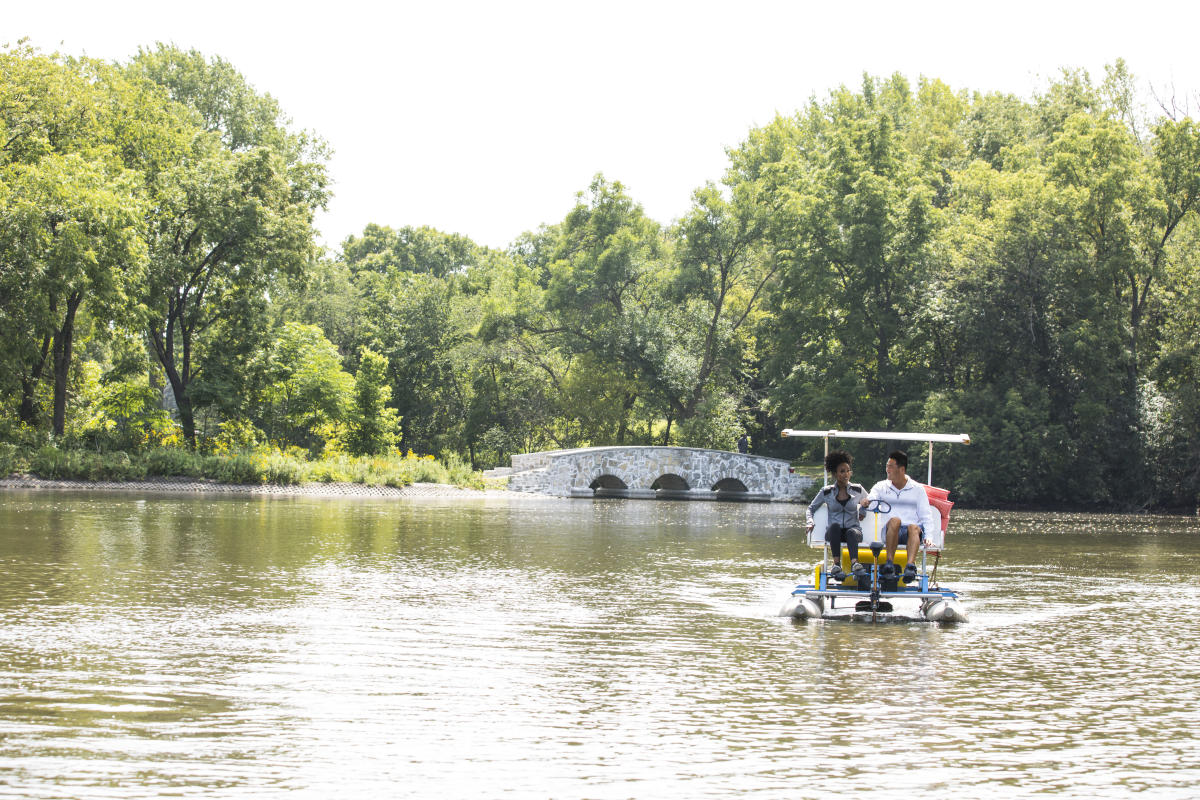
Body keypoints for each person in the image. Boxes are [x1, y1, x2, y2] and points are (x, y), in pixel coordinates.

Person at [860, 449, 939, 582]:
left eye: (890, 466)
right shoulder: (881, 486)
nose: (887, 469)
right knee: (895, 521)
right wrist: (866, 502)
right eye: (887, 466)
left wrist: (929, 536)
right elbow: (872, 502)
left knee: (914, 527)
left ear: (902, 469)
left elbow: (926, 515)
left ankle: (910, 567)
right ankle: (889, 564)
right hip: (890, 531)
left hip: (911, 533)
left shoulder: (917, 489)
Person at [806, 450, 868, 582]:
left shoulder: (858, 489)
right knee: (834, 527)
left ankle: (855, 564)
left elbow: (871, 503)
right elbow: (811, 508)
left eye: (848, 471)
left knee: (851, 532)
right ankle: (836, 565)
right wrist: (810, 521)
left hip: (853, 531)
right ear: (835, 474)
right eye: (842, 471)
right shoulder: (826, 492)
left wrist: (863, 509)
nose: (846, 474)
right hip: (835, 533)